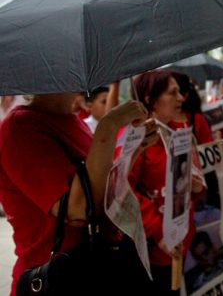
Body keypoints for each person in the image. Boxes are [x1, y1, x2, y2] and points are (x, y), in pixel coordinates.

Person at [0, 92, 151, 296]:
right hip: (54, 279)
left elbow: (99, 192)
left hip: (90, 270)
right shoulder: (19, 127)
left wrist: (132, 150)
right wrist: (109, 125)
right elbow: (78, 210)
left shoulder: (72, 120)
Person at [129, 70, 206, 296]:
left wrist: (196, 186)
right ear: (150, 99)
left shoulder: (180, 134)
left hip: (179, 243)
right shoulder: (135, 139)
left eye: (179, 92)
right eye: (172, 93)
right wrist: (158, 233)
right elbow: (124, 192)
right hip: (151, 249)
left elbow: (197, 180)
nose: (181, 98)